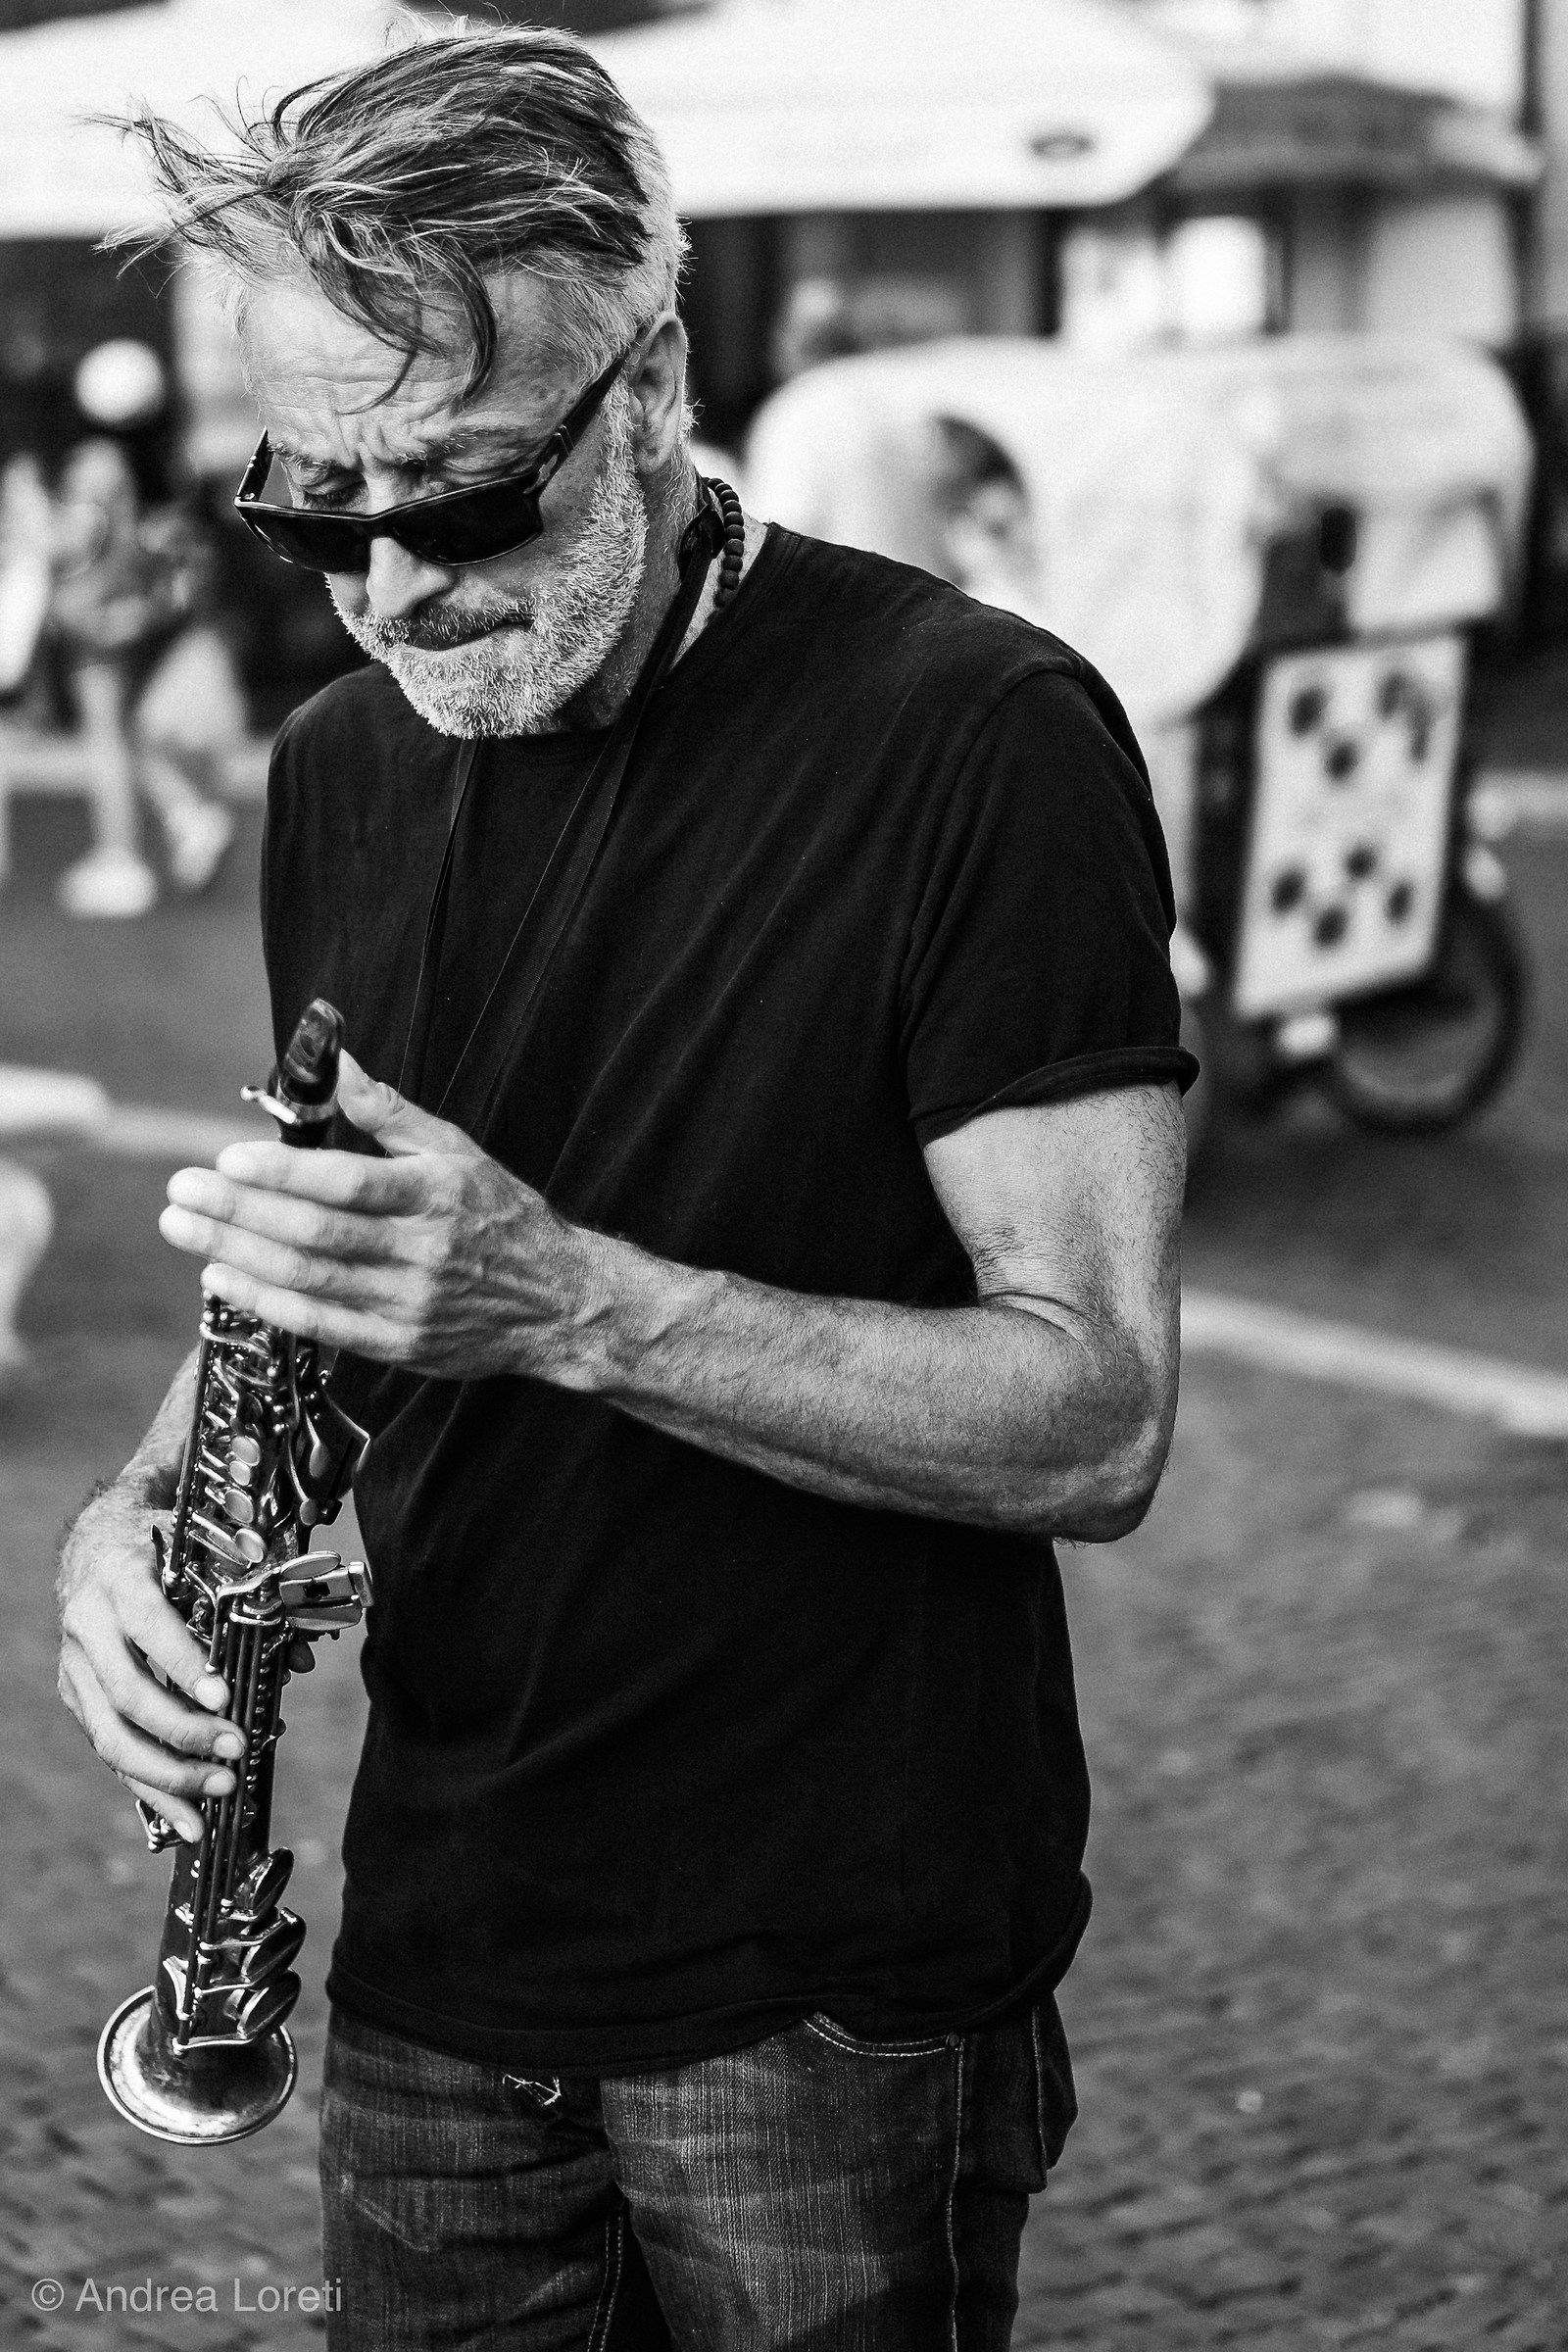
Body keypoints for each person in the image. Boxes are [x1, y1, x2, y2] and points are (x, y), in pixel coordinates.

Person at [55, 27, 1195, 2347]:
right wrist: (130, 1509)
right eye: (312, 510)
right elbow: (337, 1261)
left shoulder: (973, 732)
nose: (385, 588)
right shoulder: (334, 763)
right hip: (438, 1938)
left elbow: (1090, 1414)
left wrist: (565, 1298)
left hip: (826, 1981)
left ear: (651, 373)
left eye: (464, 500)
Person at [49, 433, 236, 918]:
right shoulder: (133, 519)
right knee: (127, 742)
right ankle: (186, 820)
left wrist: (29, 513)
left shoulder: (89, 514)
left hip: (93, 644)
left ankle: (122, 858)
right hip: (108, 641)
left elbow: (64, 568)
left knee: (108, 745)